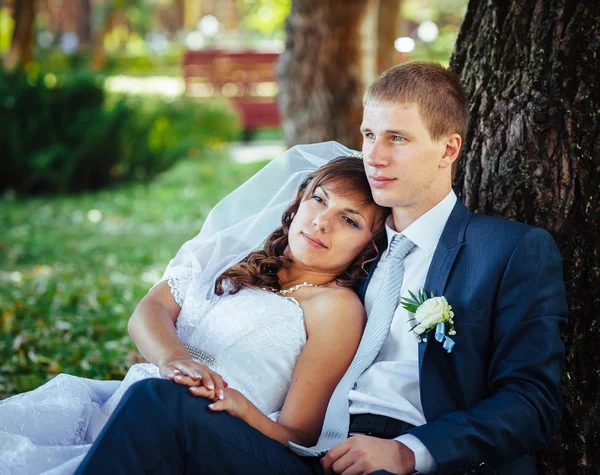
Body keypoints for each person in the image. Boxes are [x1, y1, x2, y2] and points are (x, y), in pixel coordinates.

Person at [77, 62, 568, 475]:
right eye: (369, 134)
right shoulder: (347, 248)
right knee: (158, 405)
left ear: (448, 149)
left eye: (397, 138)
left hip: (406, 456)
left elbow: (532, 402)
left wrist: (409, 452)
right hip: (301, 453)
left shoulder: (509, 249)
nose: (374, 156)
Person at [0, 152, 389, 475]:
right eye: (319, 200)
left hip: (231, 439)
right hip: (143, 401)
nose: (323, 221)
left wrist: (241, 407)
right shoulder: (236, 256)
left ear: (368, 247)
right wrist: (174, 359)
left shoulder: (334, 307)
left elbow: (300, 436)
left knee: (156, 398)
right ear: (299, 199)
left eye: (349, 220)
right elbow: (149, 310)